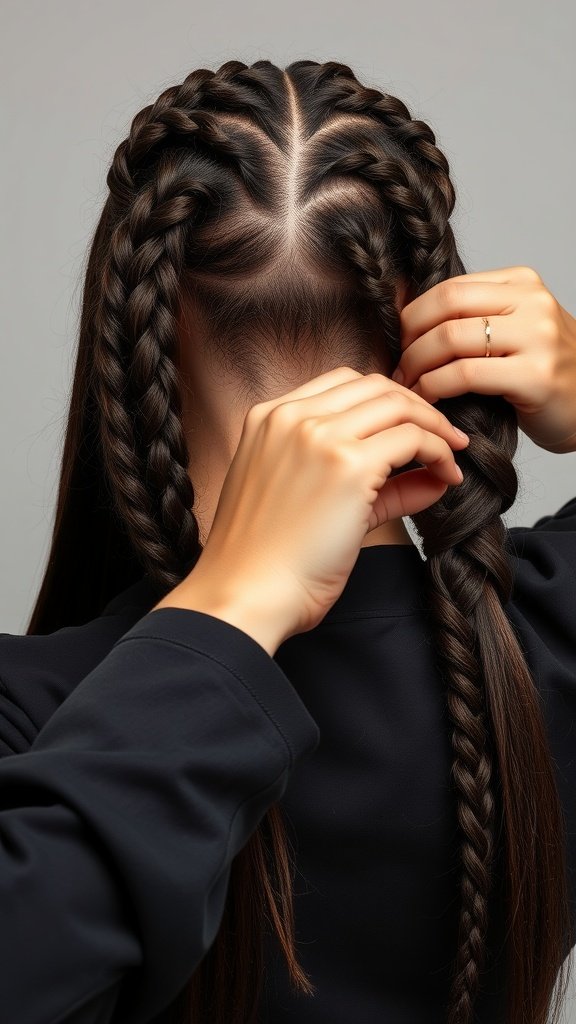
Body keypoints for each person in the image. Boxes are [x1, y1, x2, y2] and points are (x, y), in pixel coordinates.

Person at [1, 57, 576, 1024]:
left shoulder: (34, 717)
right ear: (420, 312)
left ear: (132, 341)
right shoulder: (547, 656)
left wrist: (230, 612)